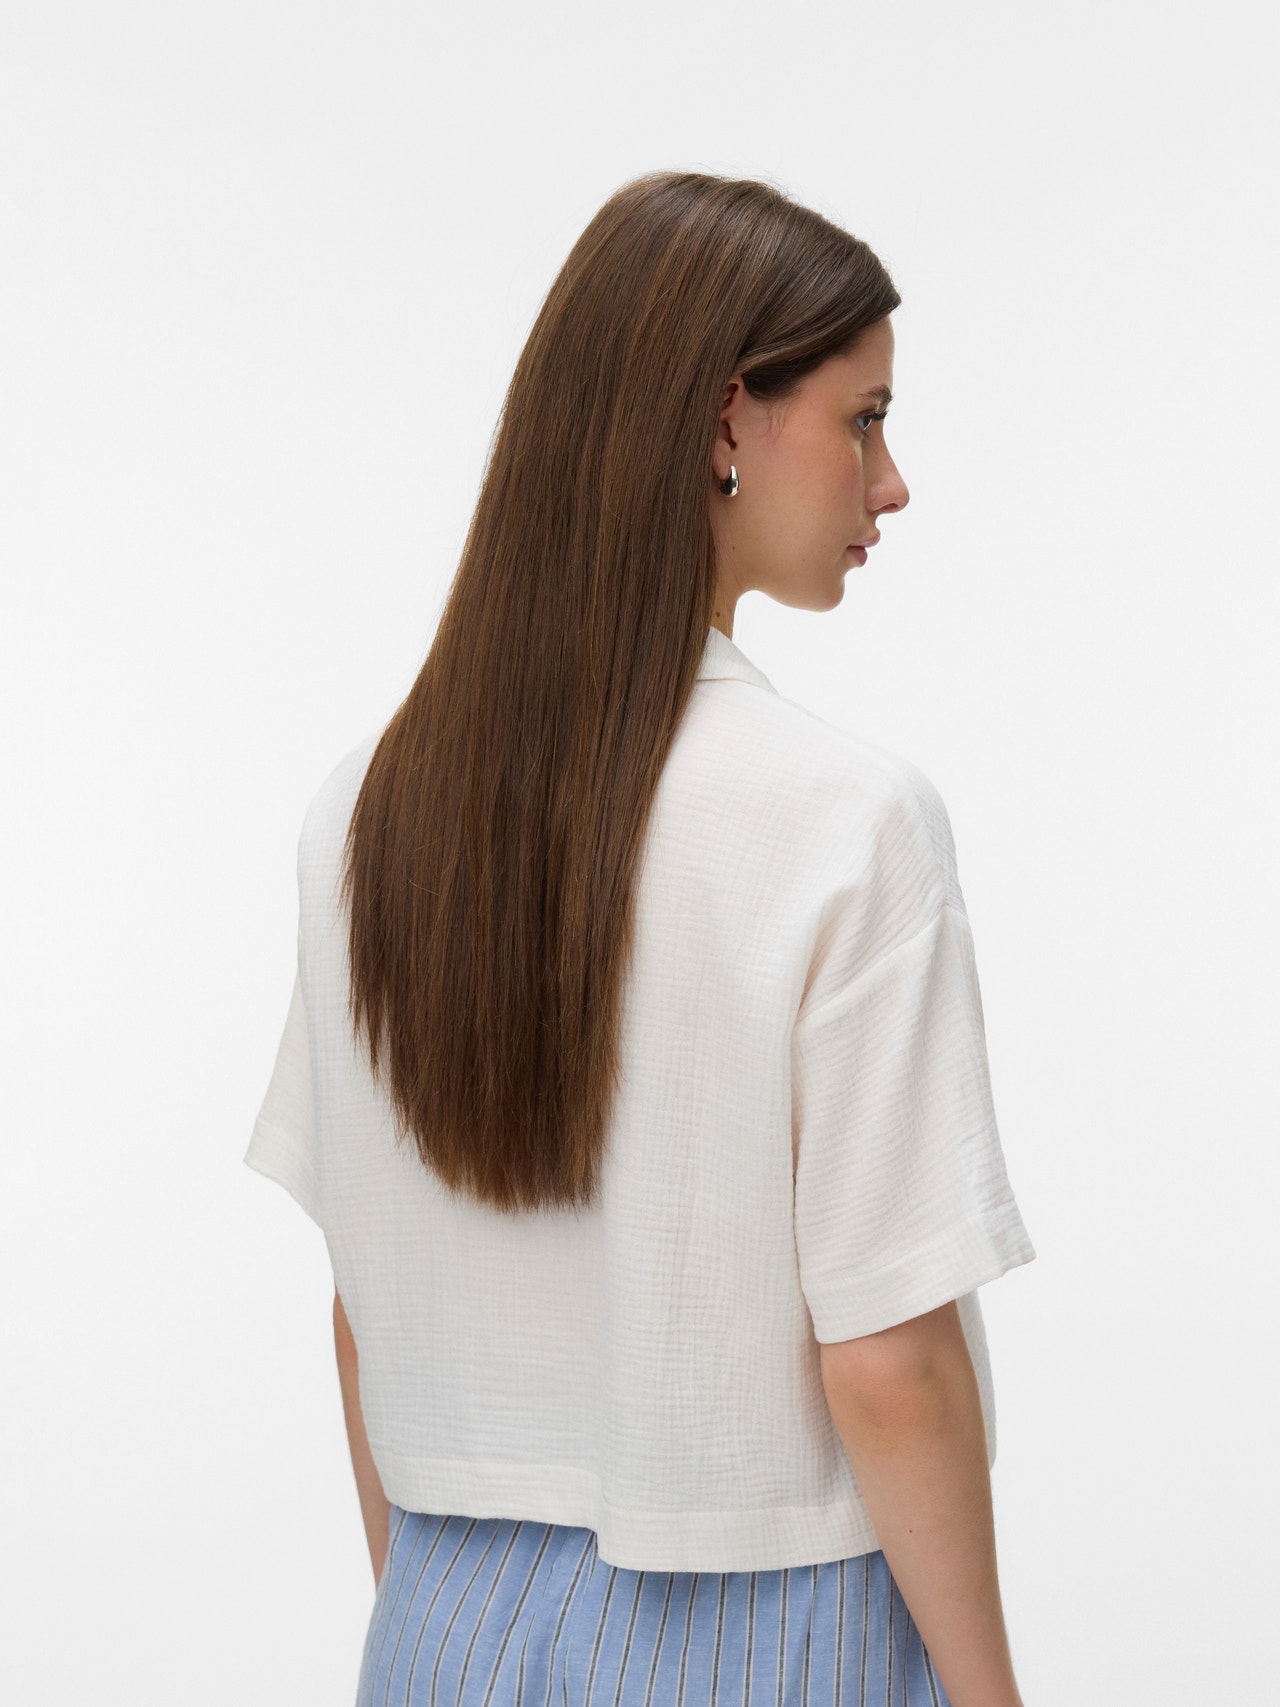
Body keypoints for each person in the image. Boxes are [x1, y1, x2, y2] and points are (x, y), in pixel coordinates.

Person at [245, 169, 1037, 1707]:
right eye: (865, 418)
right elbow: (888, 1359)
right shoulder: (845, 821)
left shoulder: (370, 809)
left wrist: (434, 1628)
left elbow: (361, 1309)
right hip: (767, 1634)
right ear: (729, 418)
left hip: (438, 1626)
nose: (891, 483)